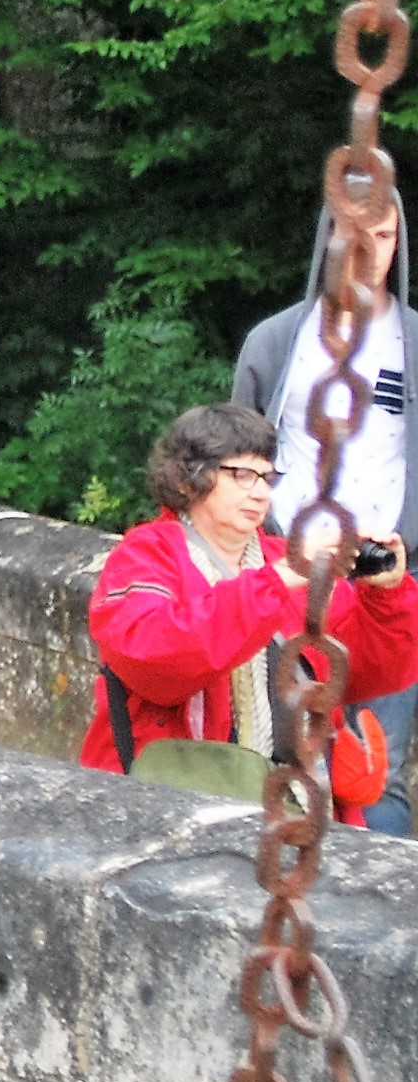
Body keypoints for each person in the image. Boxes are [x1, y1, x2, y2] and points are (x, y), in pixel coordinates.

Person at [80, 401, 417, 821]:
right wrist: (274, 582)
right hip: (169, 798)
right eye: (241, 475)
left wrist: (386, 598)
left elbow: (366, 672)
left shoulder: (283, 560)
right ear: (186, 479)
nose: (259, 493)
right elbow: (155, 659)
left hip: (296, 805)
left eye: (266, 477)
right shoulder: (146, 555)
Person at [235, 201, 417, 833]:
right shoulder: (276, 341)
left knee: (376, 771)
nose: (369, 251)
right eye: (353, 234)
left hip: (384, 580)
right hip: (287, 573)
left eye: (384, 236)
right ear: (327, 237)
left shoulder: (412, 342)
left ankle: (379, 895)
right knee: (273, 755)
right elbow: (235, 455)